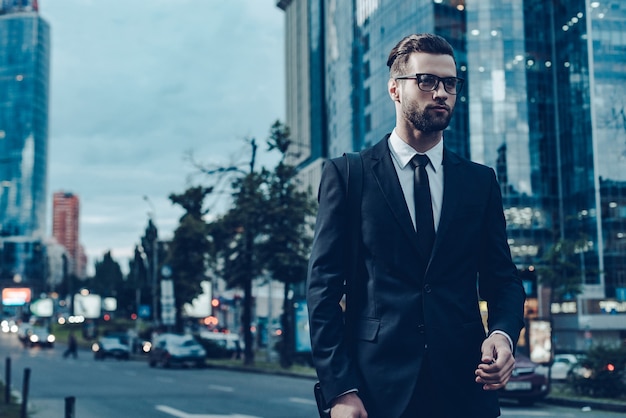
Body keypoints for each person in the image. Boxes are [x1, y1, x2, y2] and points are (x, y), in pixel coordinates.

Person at [306, 33, 526, 418]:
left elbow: (503, 278)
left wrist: (503, 334)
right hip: (377, 391)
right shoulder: (347, 175)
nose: (441, 92)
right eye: (427, 81)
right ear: (395, 88)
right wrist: (341, 390)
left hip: (466, 390)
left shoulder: (480, 181)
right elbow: (323, 292)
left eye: (450, 83)